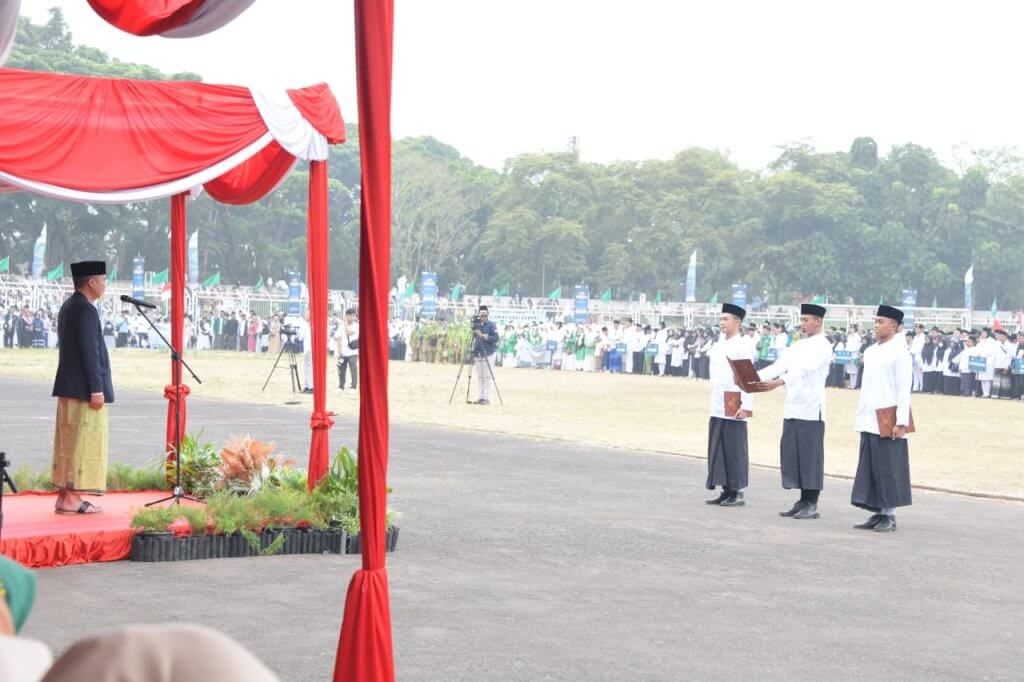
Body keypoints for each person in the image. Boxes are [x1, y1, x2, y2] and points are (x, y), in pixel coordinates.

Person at [757, 303, 832, 520]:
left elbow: (802, 371)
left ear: (818, 321)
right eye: (801, 320)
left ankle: (812, 502)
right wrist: (751, 377)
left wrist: (779, 382)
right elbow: (779, 365)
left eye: (807, 320)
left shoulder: (822, 345)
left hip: (811, 409)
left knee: (810, 457)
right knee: (794, 455)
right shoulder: (798, 345)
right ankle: (802, 500)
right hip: (792, 406)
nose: (803, 324)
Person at [50, 261, 113, 515]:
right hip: (84, 390)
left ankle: (65, 496)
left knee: (68, 442)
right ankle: (73, 497)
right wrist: (96, 389)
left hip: (69, 386)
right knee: (81, 443)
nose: (104, 285)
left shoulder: (69, 306)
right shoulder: (86, 310)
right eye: (103, 280)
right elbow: (90, 352)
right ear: (91, 282)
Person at [850, 305, 912, 533]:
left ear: (894, 326)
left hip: (888, 416)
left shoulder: (900, 353)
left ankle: (890, 515)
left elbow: (904, 390)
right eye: (875, 321)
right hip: (868, 415)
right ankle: (877, 512)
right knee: (873, 466)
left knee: (889, 467)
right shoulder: (871, 351)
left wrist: (901, 421)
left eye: (881, 322)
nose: (876, 326)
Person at [705, 303, 754, 507]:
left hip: (733, 398)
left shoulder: (742, 345)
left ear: (737, 322)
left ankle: (737, 490)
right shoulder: (718, 344)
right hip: (717, 399)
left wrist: (747, 405)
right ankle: (725, 488)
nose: (722, 322)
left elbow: (748, 377)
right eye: (721, 319)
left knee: (734, 446)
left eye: (726, 319)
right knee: (719, 444)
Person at [470, 305, 499, 405]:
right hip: (478, 353)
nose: (482, 317)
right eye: (481, 315)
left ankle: (487, 398)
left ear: (487, 315)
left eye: (484, 315)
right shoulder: (476, 325)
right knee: (480, 376)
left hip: (488, 353)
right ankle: (481, 396)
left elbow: (495, 338)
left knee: (487, 376)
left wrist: (483, 335)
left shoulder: (491, 325)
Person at [335, 307, 359, 392]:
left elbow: (349, 332)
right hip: (343, 352)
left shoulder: (357, 326)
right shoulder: (341, 326)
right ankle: (341, 386)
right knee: (341, 370)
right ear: (346, 316)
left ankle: (353, 386)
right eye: (349, 315)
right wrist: (339, 351)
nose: (351, 317)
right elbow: (338, 338)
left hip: (353, 352)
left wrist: (345, 325)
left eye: (353, 316)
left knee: (353, 369)